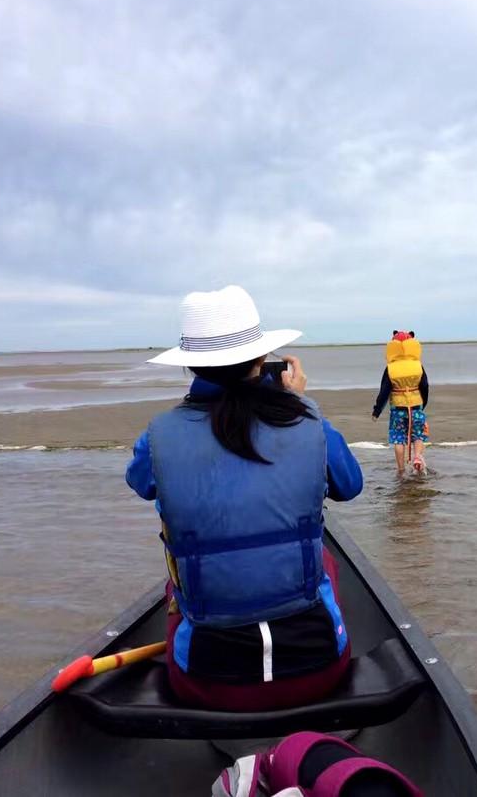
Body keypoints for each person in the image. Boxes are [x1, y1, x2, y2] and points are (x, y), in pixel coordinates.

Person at [125, 285, 363, 711]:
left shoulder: (159, 434)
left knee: (177, 580)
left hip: (205, 683)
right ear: (261, 359)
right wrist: (298, 401)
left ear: (192, 366)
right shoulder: (306, 419)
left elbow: (141, 482)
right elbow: (349, 485)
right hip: (320, 670)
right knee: (325, 560)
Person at [371, 330, 430, 475]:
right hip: (416, 406)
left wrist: (376, 411)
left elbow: (384, 392)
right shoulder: (418, 366)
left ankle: (401, 469)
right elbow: (425, 386)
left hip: (398, 408)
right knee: (418, 434)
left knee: (398, 438)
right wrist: (423, 403)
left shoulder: (391, 368)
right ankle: (417, 456)